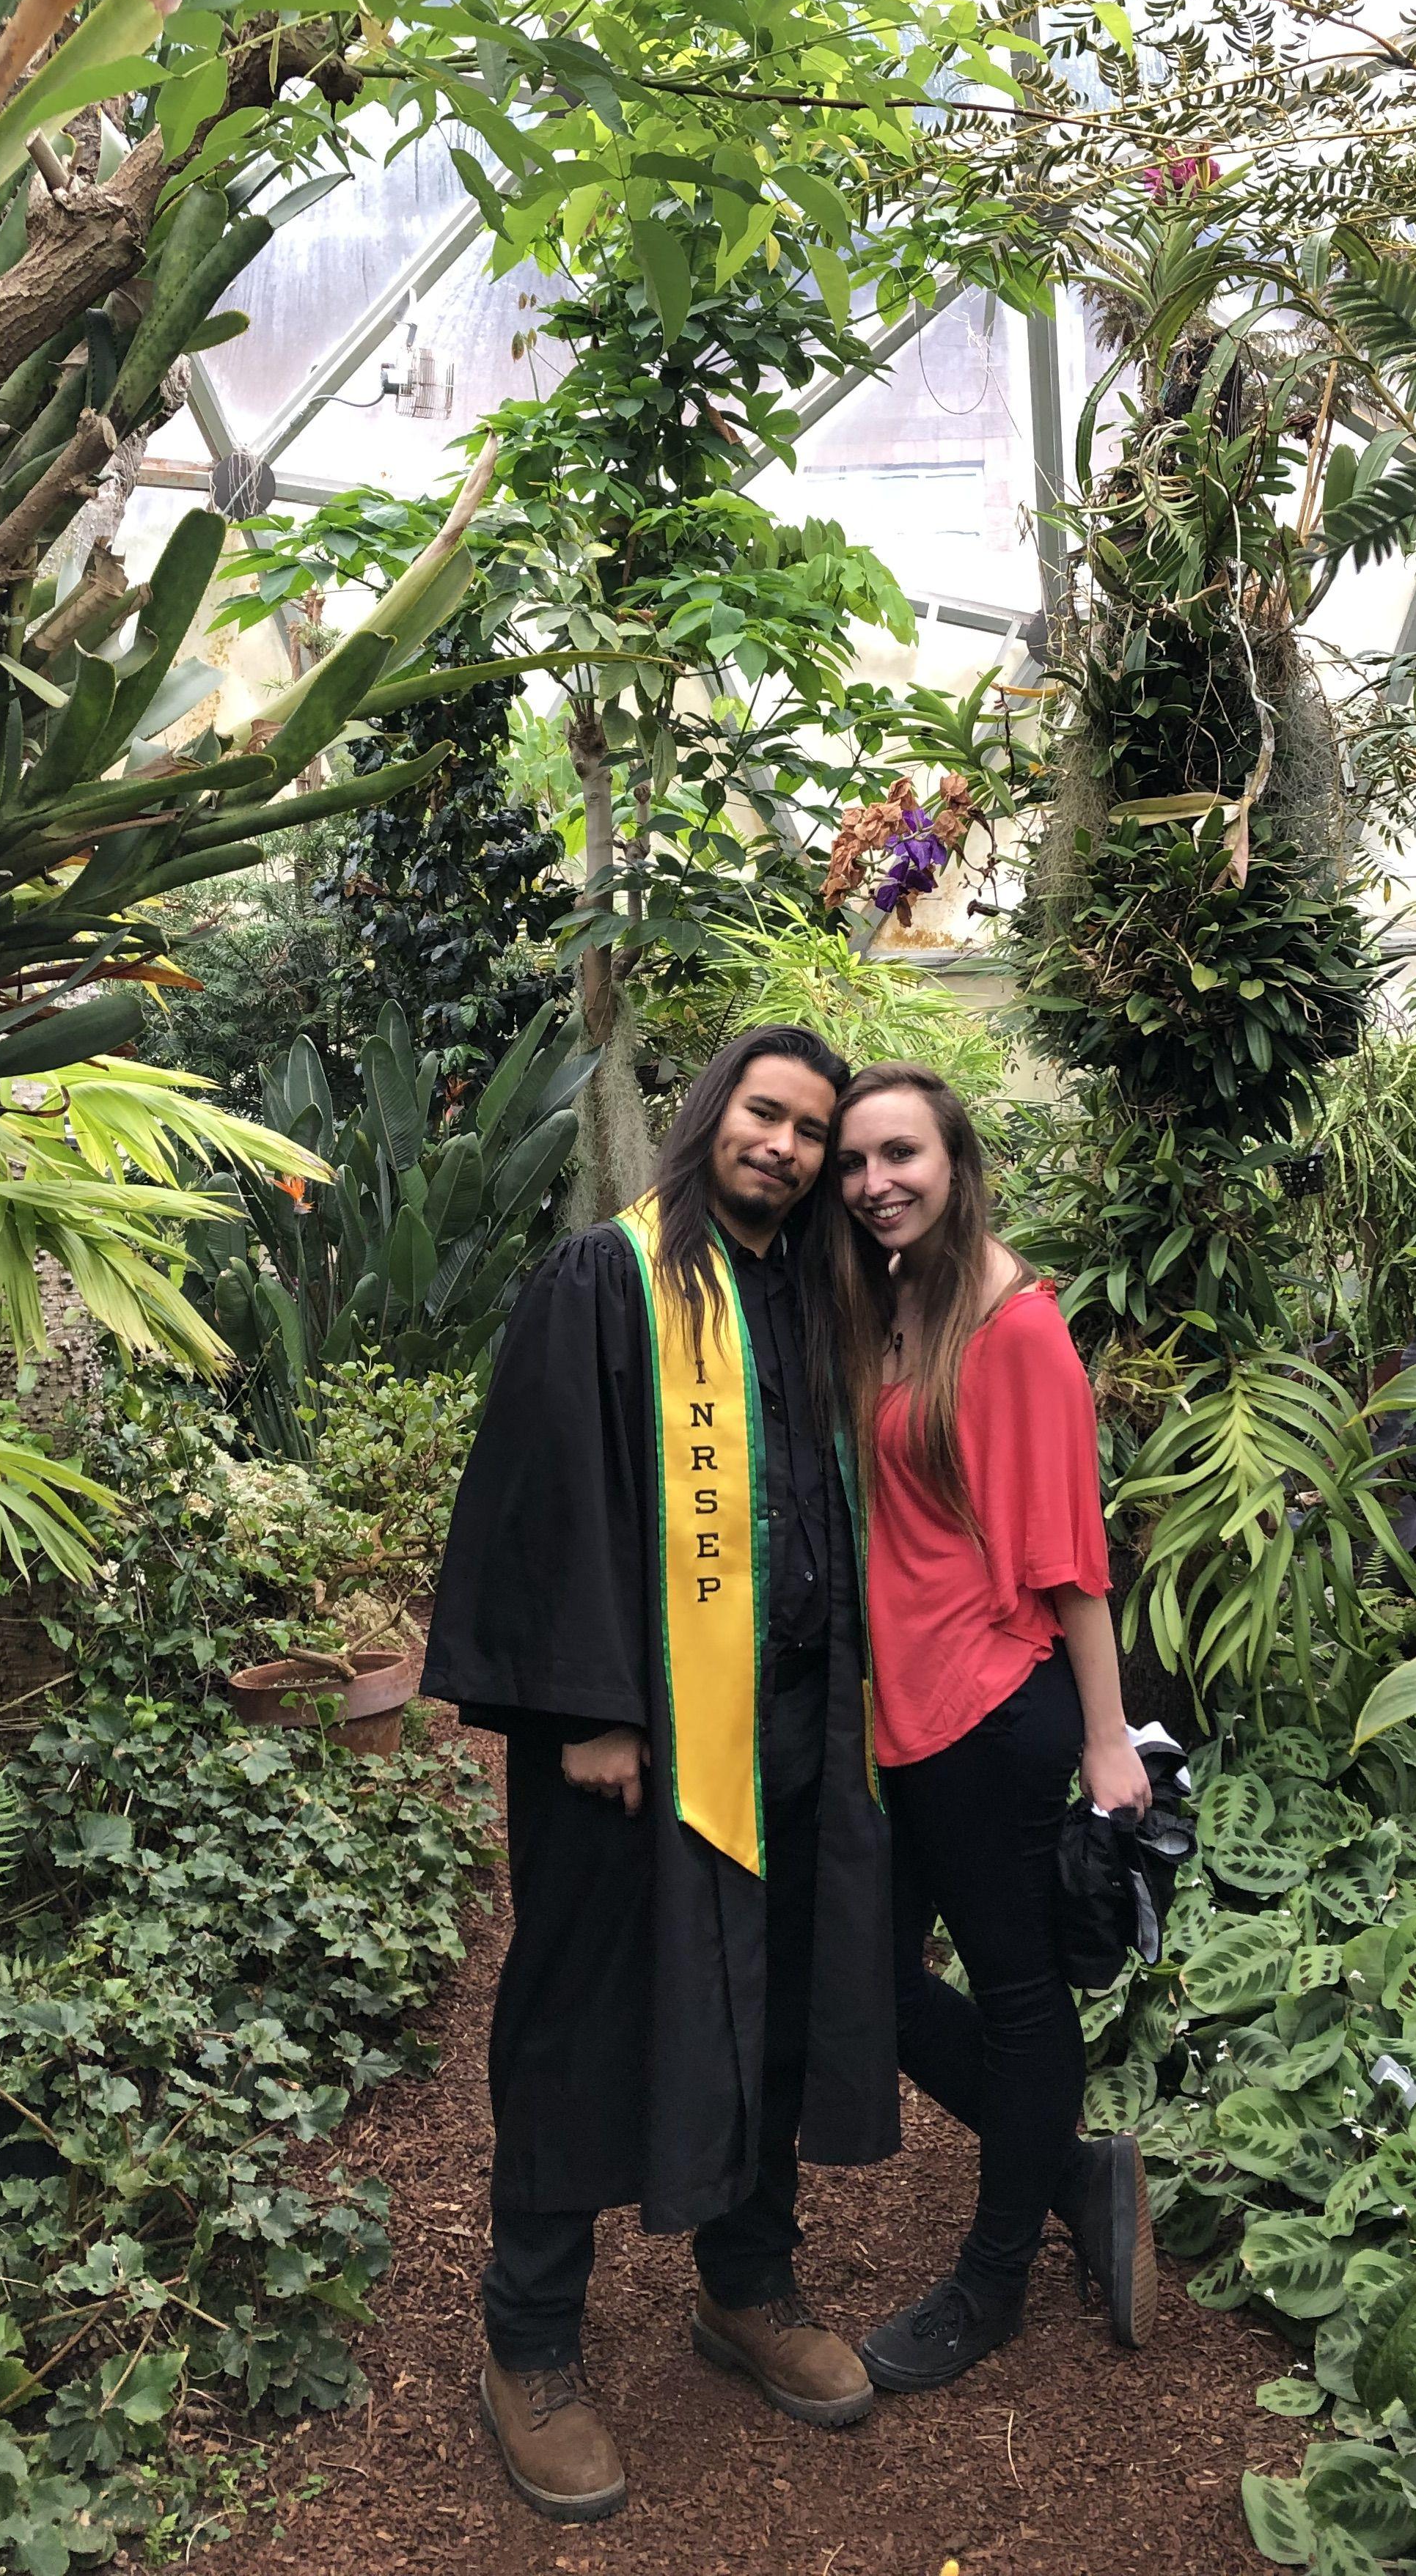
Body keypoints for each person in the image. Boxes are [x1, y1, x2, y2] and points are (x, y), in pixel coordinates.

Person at [421, 1027, 896, 2524]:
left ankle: (746, 2283)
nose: (788, 1146)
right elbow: (550, 1495)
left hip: (795, 1729)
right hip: (636, 1740)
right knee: (581, 2013)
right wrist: (592, 1712)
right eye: (766, 1114)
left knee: (776, 2009)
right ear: (712, 1118)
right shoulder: (610, 1281)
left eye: (813, 1130)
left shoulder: (815, 1296)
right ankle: (530, 2339)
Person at [823, 1062, 1156, 2391]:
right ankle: (1075, 2171)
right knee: (884, 1991)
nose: (873, 1183)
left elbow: (1070, 1551)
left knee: (1017, 1997)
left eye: (899, 1155)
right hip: (904, 1716)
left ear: (955, 1162)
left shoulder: (1013, 1326)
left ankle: (994, 2281)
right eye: (855, 1163)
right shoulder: (894, 1294)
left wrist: (1108, 1734)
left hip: (990, 1708)